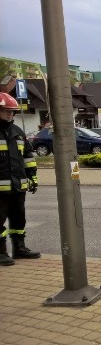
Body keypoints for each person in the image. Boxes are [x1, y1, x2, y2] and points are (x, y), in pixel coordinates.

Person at [0, 92, 40, 266]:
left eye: (13, 111)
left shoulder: (17, 132)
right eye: (7, 111)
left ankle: (19, 249)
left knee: (18, 219)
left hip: (17, 187)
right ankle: (1, 252)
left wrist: (32, 177)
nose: (11, 114)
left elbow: (28, 157)